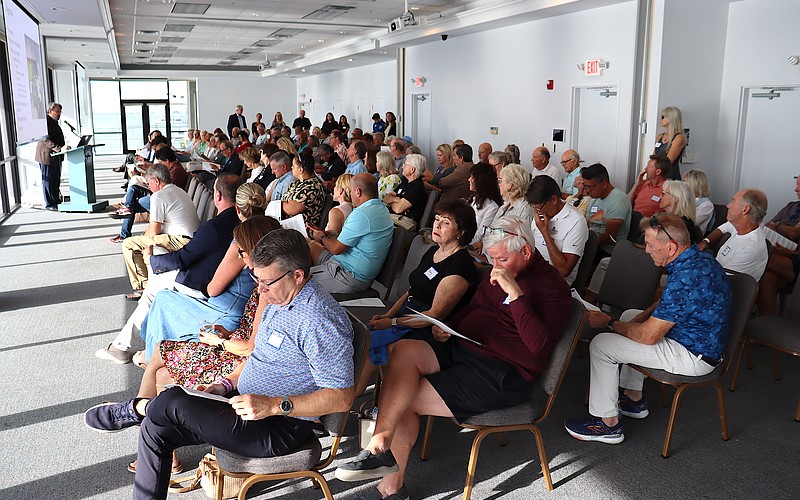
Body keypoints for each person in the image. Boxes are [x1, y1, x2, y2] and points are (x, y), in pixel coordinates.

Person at [84, 229, 356, 500]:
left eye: (267, 282)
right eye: (256, 280)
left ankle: (136, 408)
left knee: (172, 399)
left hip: (277, 426)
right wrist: (224, 384)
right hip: (242, 405)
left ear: (297, 275)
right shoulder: (279, 298)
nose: (260, 290)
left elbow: (341, 398)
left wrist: (274, 405)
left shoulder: (321, 320)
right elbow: (256, 357)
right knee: (157, 429)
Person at [334, 216, 572, 498]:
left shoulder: (554, 289)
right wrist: (447, 328)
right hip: (465, 345)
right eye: (492, 259)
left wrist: (516, 293)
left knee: (402, 400)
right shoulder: (499, 268)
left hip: (503, 372)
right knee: (402, 350)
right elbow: (475, 307)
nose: (496, 267)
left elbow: (539, 346)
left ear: (526, 252)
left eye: (502, 260)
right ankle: (380, 449)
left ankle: (388, 481)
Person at [105, 215, 281, 474]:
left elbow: (251, 348)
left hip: (237, 362)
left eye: (242, 252)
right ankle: (151, 436)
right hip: (234, 352)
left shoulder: (268, 288)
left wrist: (219, 341)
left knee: (159, 360)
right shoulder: (265, 282)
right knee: (161, 368)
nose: (241, 259)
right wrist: (224, 337)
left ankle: (141, 418)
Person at [564, 213, 731, 444]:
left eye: (651, 245)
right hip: (700, 341)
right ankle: (633, 398)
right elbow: (672, 301)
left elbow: (649, 336)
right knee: (632, 315)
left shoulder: (687, 277)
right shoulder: (696, 259)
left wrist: (610, 323)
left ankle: (607, 424)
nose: (646, 250)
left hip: (694, 355)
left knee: (601, 345)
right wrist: (640, 317)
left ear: (671, 247)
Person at [96, 174, 246, 364]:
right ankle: (125, 343)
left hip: (200, 283)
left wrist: (152, 261)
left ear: (217, 196)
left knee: (153, 289)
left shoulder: (216, 226)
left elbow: (183, 258)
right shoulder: (240, 221)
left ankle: (123, 346)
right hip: (213, 276)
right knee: (155, 278)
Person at [356, 200, 479, 394]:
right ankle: (356, 396)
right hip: (407, 316)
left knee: (372, 347)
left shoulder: (460, 266)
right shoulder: (433, 251)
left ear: (461, 232)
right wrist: (388, 315)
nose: (436, 225)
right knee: (362, 339)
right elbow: (411, 291)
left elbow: (434, 314)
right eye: (436, 219)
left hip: (429, 330)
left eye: (446, 222)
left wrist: (393, 322)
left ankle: (351, 400)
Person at [307, 173, 394, 294]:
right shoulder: (382, 209)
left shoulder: (362, 214)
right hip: (348, 267)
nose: (351, 195)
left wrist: (321, 238)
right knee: (308, 251)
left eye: (351, 191)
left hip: (348, 276)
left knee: (296, 283)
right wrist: (333, 236)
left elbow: (336, 249)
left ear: (358, 192)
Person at [120, 164, 200, 293]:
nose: (149, 187)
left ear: (156, 181)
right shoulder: (179, 191)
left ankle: (143, 287)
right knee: (142, 239)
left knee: (128, 244)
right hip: (192, 238)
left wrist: (142, 239)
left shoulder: (159, 196)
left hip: (180, 241)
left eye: (149, 183)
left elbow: (154, 230)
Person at [528, 175, 589, 286]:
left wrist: (545, 233)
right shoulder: (540, 213)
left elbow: (563, 271)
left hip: (554, 282)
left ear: (554, 199)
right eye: (533, 207)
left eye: (538, 207)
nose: (536, 211)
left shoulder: (576, 222)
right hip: (532, 272)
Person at [698, 189, 769, 281]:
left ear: (745, 209)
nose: (728, 205)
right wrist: (706, 241)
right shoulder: (742, 225)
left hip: (723, 285)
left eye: (733, 201)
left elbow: (722, 278)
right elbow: (722, 228)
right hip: (715, 269)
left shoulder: (751, 248)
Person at [757, 176, 800, 316]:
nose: (796, 189)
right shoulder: (790, 206)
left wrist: (778, 225)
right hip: (778, 253)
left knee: (759, 257)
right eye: (796, 184)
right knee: (768, 280)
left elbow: (794, 234)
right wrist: (780, 226)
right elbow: (769, 224)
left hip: (795, 258)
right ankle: (765, 328)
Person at [582, 163, 631, 259]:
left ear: (604, 184)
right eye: (585, 186)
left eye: (590, 187)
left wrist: (581, 241)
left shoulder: (619, 200)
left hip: (607, 251)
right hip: (592, 243)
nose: (587, 191)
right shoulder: (594, 199)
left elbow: (609, 238)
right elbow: (586, 224)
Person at [282, 149, 326, 232]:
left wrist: (279, 204)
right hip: (288, 225)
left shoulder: (312, 187)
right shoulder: (297, 182)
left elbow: (290, 209)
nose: (291, 168)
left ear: (301, 170)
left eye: (293, 166)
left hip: (302, 230)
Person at [35, 102, 66, 211]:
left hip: (56, 157)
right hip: (47, 156)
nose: (59, 114)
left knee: (55, 179)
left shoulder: (54, 122)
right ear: (49, 111)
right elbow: (46, 139)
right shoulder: (44, 122)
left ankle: (56, 200)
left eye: (59, 112)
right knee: (48, 181)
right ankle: (50, 204)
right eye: (57, 111)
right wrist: (59, 148)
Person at [383, 153, 428, 225]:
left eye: (405, 164)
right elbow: (386, 198)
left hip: (405, 222)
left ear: (412, 169)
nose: (402, 167)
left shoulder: (417, 187)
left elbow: (398, 209)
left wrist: (391, 203)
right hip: (395, 217)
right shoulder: (405, 183)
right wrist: (396, 199)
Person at [467, 163, 502, 246]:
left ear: (480, 180)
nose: (469, 179)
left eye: (472, 177)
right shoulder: (474, 200)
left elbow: (480, 235)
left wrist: (460, 241)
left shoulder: (492, 207)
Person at [654, 106, 687, 180]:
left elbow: (668, 162)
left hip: (670, 177)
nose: (660, 119)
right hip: (656, 175)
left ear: (671, 118)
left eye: (663, 117)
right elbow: (653, 156)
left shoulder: (679, 138)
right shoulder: (660, 136)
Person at [683, 169, 715, 234]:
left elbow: (689, 223)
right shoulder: (685, 199)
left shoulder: (707, 205)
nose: (682, 186)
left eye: (685, 182)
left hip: (691, 236)